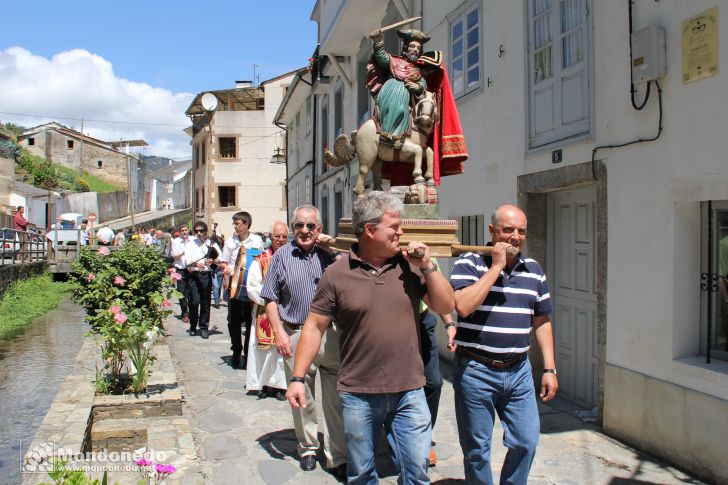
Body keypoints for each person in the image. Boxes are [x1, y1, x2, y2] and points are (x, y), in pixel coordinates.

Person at [287, 192, 455, 484]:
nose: (401, 233)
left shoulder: (411, 267)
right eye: (394, 227)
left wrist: (428, 265)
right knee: (362, 475)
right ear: (369, 229)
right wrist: (298, 378)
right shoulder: (336, 274)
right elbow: (314, 327)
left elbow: (445, 306)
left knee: (416, 471)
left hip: (410, 391)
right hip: (358, 394)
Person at [449, 204, 558, 485]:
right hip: (475, 369)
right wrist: (496, 266)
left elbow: (542, 320)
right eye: (508, 230)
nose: (514, 237)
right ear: (492, 231)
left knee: (526, 441)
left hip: (519, 371)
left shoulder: (534, 270)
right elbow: (462, 306)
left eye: (521, 231)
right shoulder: (469, 262)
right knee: (477, 452)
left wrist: (549, 368)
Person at [262, 205, 346, 477]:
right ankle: (308, 447)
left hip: (330, 335)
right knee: (302, 396)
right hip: (296, 333)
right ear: (292, 228)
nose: (305, 231)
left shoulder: (332, 258)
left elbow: (353, 268)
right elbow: (270, 298)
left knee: (335, 399)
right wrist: (279, 332)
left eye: (311, 226)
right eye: (299, 225)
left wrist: (332, 248)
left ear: (319, 230)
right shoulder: (282, 257)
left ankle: (338, 455)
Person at [366, 27, 467, 187]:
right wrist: (378, 42)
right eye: (412, 46)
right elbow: (381, 57)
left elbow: (423, 86)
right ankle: (390, 137)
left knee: (417, 115)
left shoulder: (418, 71)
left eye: (418, 48)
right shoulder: (395, 61)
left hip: (408, 97)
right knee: (399, 108)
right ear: (405, 47)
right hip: (392, 92)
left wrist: (417, 87)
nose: (415, 49)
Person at [246, 221, 289, 400]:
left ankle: (279, 386)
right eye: (277, 236)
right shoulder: (261, 259)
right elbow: (252, 286)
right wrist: (271, 299)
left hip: (286, 312)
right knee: (263, 350)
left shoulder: (291, 257)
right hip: (265, 311)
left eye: (284, 236)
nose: (280, 239)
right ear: (270, 236)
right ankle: (262, 384)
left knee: (281, 352)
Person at [219, 211, 264, 369]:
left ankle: (248, 352)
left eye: (237, 224)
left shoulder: (257, 240)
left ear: (246, 224)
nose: (235, 227)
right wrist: (225, 270)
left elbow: (261, 260)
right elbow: (225, 262)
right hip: (234, 282)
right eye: (234, 224)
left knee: (250, 319)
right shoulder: (230, 242)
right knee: (233, 320)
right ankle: (236, 351)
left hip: (250, 283)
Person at [184, 222, 222, 339]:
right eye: (196, 231)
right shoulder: (190, 244)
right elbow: (187, 261)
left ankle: (204, 328)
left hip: (206, 275)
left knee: (205, 302)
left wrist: (213, 261)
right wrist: (196, 264)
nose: (198, 233)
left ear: (206, 231)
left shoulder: (212, 244)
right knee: (194, 302)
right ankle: (193, 325)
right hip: (194, 275)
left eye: (201, 231)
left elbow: (221, 259)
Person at [171, 224, 191, 323]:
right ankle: (184, 313)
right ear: (180, 232)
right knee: (181, 293)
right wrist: (183, 253)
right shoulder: (176, 242)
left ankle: (192, 312)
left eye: (186, 230)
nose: (184, 232)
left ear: (188, 230)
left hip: (192, 269)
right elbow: (174, 256)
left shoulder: (193, 240)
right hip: (181, 269)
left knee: (192, 292)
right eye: (182, 230)